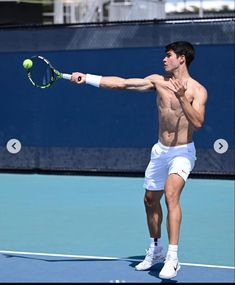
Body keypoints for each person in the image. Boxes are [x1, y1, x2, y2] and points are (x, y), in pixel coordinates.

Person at [70, 41, 208, 279]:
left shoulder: (198, 90)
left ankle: (173, 258)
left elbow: (197, 123)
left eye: (169, 56)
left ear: (182, 59)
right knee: (149, 200)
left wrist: (182, 97)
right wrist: (88, 78)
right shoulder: (158, 81)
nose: (164, 60)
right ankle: (156, 250)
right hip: (160, 151)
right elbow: (123, 84)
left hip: (183, 152)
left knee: (172, 194)